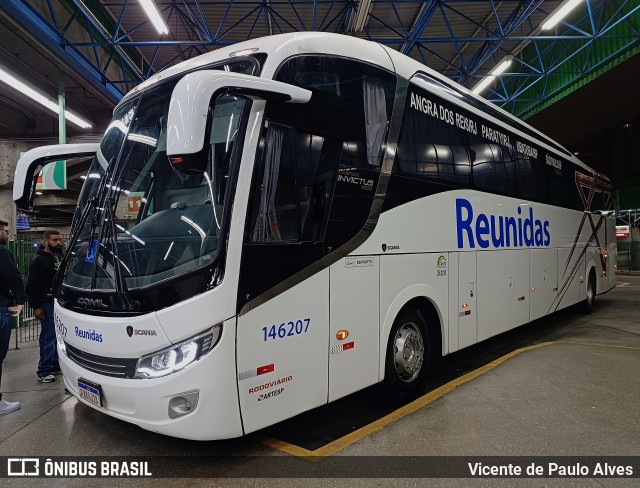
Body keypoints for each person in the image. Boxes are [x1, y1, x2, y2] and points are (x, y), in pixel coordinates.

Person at [26, 230, 63, 383]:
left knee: (57, 335)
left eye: (59, 240)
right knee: (49, 335)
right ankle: (44, 370)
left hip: (57, 302)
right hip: (45, 303)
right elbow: (32, 286)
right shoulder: (39, 261)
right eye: (55, 240)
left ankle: (54, 364)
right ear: (46, 241)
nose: (58, 243)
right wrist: (36, 306)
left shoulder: (58, 258)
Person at [0, 219, 26, 415]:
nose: (7, 234)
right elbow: (13, 276)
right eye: (4, 230)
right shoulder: (2, 252)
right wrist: (20, 300)